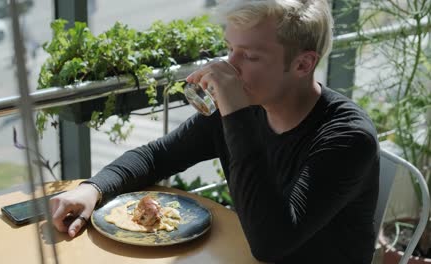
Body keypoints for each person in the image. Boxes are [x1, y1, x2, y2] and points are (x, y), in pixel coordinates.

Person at [50, 0, 379, 263]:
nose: (228, 67)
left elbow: (271, 244)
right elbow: (158, 156)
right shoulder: (246, 105)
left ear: (303, 64)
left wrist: (234, 112)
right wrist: (92, 189)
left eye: (249, 56)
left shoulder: (347, 138)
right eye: (229, 48)